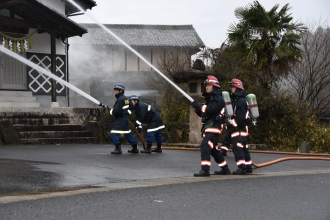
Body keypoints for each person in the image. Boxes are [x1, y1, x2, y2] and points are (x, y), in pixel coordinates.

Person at [191, 75, 231, 177]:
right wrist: (197, 108)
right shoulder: (210, 99)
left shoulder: (218, 99)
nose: (207, 87)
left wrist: (199, 106)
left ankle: (205, 170)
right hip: (210, 125)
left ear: (214, 86)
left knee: (205, 145)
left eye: (209, 85)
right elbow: (204, 113)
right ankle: (225, 168)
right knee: (213, 149)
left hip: (215, 126)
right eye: (206, 85)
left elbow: (210, 110)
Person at [221, 78, 253, 174]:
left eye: (233, 87)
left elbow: (240, 118)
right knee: (243, 148)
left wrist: (231, 124)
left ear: (238, 88)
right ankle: (248, 167)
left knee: (237, 148)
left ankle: (242, 168)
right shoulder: (237, 100)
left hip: (240, 129)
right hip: (240, 129)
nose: (231, 89)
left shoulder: (241, 101)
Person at [108, 83, 139, 154]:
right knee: (127, 133)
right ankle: (135, 148)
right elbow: (131, 107)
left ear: (121, 91)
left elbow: (116, 111)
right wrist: (127, 113)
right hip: (125, 119)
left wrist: (110, 110)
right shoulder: (125, 99)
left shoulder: (120, 100)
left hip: (120, 120)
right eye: (114, 90)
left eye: (116, 90)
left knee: (113, 133)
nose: (115, 91)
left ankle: (118, 149)